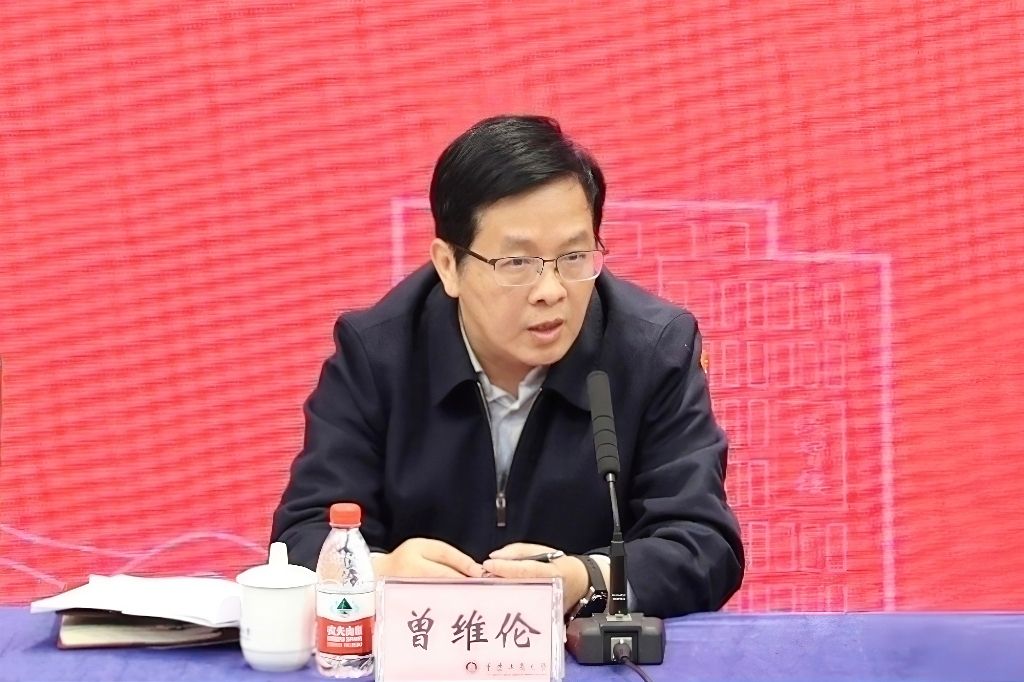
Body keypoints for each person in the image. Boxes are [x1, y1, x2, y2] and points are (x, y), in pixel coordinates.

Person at [271, 115, 744, 618]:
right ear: (449, 266)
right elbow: (303, 536)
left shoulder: (651, 351)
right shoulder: (378, 355)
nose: (551, 291)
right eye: (517, 263)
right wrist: (382, 573)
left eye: (574, 257)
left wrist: (585, 580)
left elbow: (703, 545)